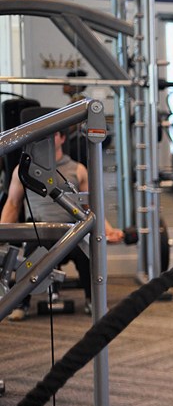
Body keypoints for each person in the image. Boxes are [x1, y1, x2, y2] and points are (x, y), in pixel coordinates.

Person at [1, 125, 124, 320]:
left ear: (62, 139)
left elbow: (91, 208)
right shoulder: (22, 170)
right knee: (29, 258)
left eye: (52, 135)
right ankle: (20, 304)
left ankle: (93, 301)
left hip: (70, 232)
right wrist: (2, 235)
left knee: (88, 254)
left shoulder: (78, 169)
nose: (47, 140)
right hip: (39, 231)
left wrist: (108, 230)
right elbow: (13, 205)